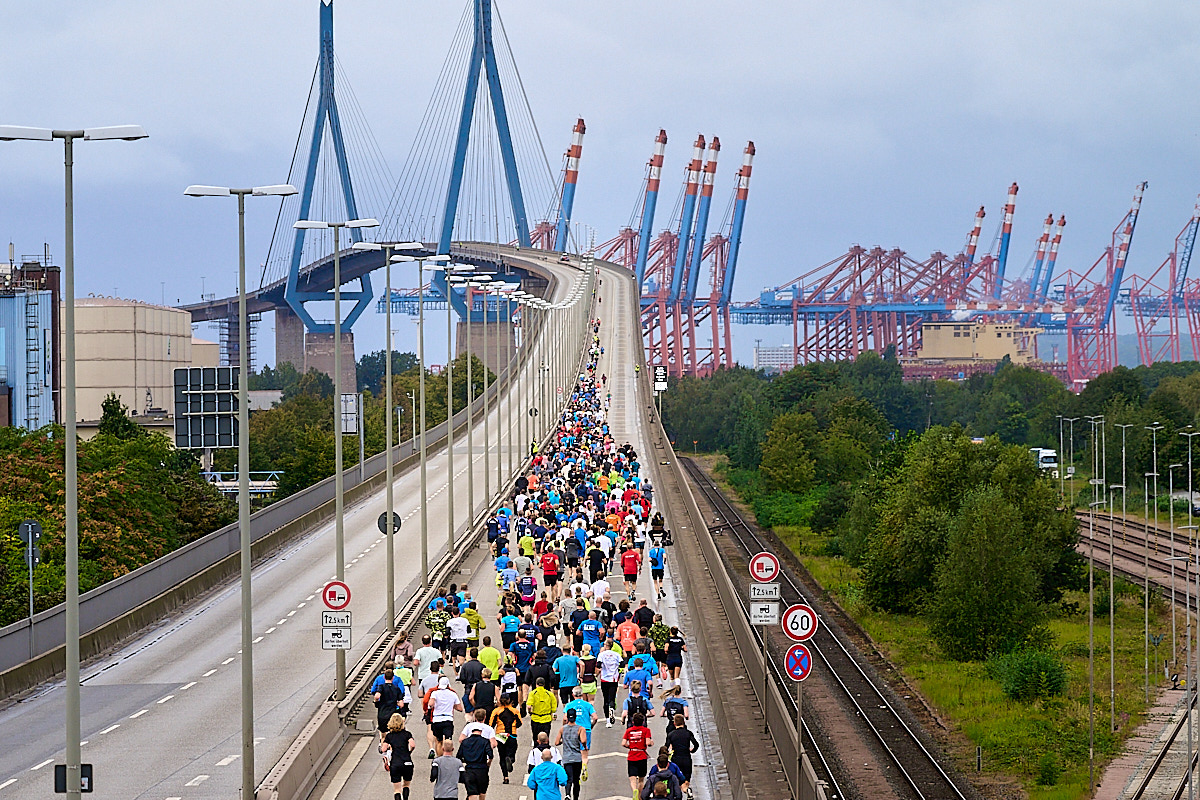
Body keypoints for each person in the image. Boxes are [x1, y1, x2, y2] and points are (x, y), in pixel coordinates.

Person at [457, 714, 493, 800]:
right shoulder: (485, 742)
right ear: (480, 731)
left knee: (472, 793)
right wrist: (488, 763)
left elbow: (458, 757)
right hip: (482, 769)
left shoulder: (465, 742)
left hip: (469, 769)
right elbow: (490, 755)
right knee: (482, 792)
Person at [489, 694, 522, 784]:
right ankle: (510, 759)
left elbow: (491, 724)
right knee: (512, 751)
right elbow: (520, 723)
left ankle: (505, 777)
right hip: (511, 735)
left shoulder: (496, 711)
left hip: (500, 735)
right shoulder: (515, 711)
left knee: (501, 756)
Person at [427, 676, 463, 758]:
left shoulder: (435, 693)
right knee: (448, 740)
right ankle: (448, 757)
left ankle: (439, 758)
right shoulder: (453, 694)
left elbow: (430, 704)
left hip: (437, 719)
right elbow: (460, 708)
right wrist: (451, 705)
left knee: (439, 741)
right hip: (448, 719)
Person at [381, 713, 416, 800]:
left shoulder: (389, 736)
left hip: (395, 763)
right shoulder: (407, 734)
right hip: (407, 762)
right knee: (406, 785)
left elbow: (383, 749)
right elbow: (413, 744)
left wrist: (389, 746)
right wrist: (409, 751)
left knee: (397, 789)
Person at [665, 716, 700, 799]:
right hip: (687, 758)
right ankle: (687, 790)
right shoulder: (688, 733)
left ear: (674, 723)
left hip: (676, 759)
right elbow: (696, 744)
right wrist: (691, 750)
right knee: (686, 780)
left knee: (676, 780)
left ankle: (677, 796)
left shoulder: (671, 734)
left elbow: (666, 747)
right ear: (684, 722)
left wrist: (668, 753)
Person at [555, 708, 587, 800]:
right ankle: (575, 798)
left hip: (567, 758)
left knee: (569, 778)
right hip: (577, 758)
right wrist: (584, 746)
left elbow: (556, 742)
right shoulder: (580, 729)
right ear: (576, 717)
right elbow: (583, 740)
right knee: (576, 780)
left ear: (567, 718)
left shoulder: (562, 729)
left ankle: (567, 794)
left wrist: (563, 740)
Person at [623, 711, 653, 799]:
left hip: (632, 755)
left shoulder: (629, 731)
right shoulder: (646, 730)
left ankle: (634, 790)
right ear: (643, 721)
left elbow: (623, 743)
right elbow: (648, 742)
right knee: (641, 779)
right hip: (642, 756)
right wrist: (651, 742)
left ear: (633, 722)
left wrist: (630, 746)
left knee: (632, 778)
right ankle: (639, 796)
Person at [373, 668, 408, 744]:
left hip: (382, 714)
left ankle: (383, 750)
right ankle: (390, 751)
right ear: (393, 678)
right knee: (392, 735)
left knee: (383, 735)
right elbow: (401, 704)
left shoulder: (381, 687)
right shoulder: (397, 689)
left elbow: (376, 696)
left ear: (384, 677)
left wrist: (376, 702)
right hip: (392, 714)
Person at [597, 640, 623, 726]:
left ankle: (608, 721)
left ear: (605, 645)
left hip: (604, 678)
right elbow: (622, 663)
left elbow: (598, 665)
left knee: (605, 699)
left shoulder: (601, 655)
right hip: (614, 678)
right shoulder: (616, 654)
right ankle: (612, 708)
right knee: (612, 697)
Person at [528, 676, 558, 743]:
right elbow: (554, 708)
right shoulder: (549, 694)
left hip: (535, 718)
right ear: (544, 684)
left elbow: (529, 706)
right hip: (546, 718)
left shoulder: (532, 693)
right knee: (545, 738)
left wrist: (530, 712)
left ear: (536, 684)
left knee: (536, 738)